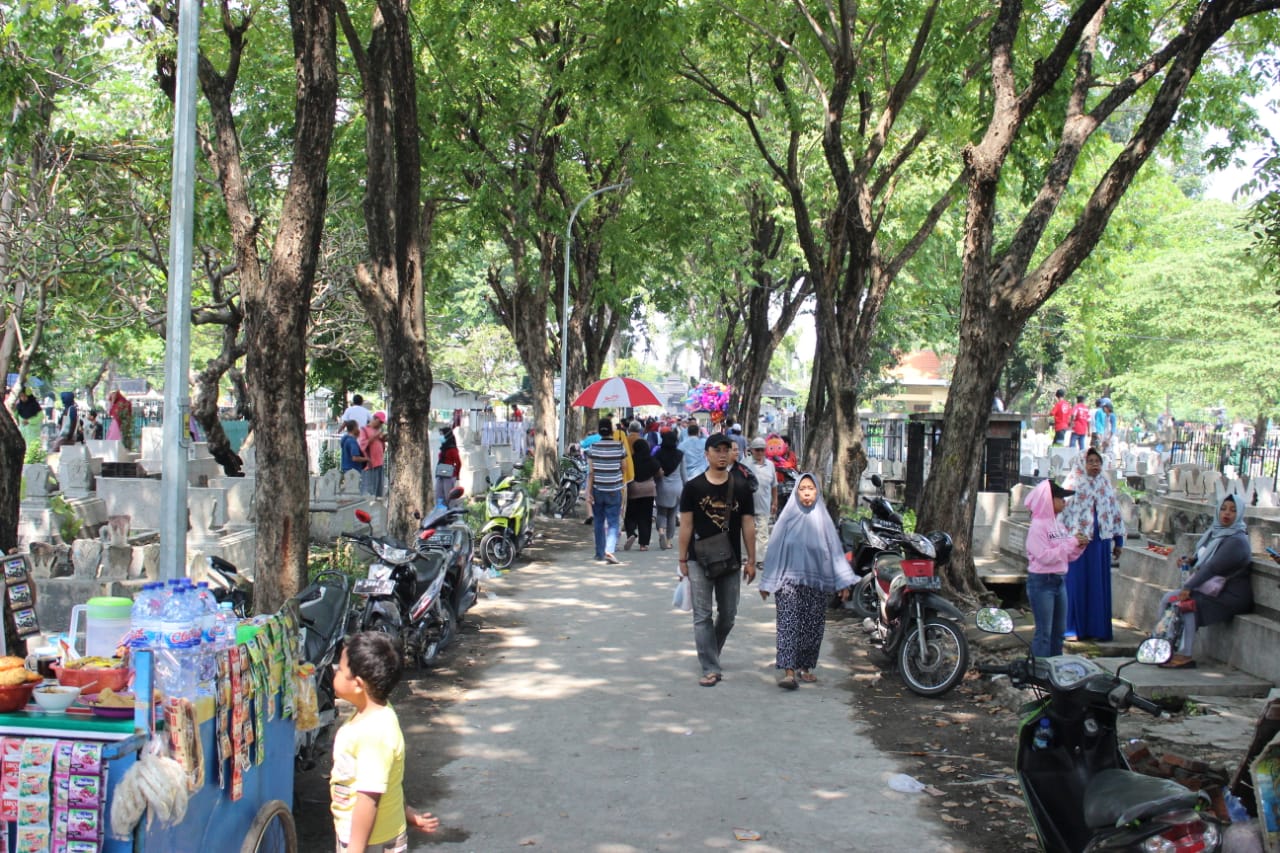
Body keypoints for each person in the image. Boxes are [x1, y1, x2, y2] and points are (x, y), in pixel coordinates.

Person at [330, 632, 440, 852]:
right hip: (365, 835)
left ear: (358, 684)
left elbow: (368, 798)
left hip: (371, 842)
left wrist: (355, 848)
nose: (335, 672)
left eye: (341, 670)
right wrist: (408, 813)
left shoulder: (373, 733)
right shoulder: (374, 715)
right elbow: (389, 781)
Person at [758, 473, 855, 689]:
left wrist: (843, 583)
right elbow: (773, 551)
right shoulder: (787, 519)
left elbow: (835, 552)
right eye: (802, 488)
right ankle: (789, 672)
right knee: (788, 625)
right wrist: (767, 583)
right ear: (796, 492)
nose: (807, 492)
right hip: (788, 582)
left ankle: (805, 667)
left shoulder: (823, 520)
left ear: (817, 491)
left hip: (816, 583)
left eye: (811, 488)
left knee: (812, 628)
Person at [678, 432, 757, 687]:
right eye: (717, 449)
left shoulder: (742, 486)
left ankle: (712, 649)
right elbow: (686, 525)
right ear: (707, 454)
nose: (722, 454)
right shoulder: (693, 487)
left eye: (726, 449)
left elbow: (748, 524)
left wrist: (752, 559)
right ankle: (710, 666)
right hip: (698, 559)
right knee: (702, 615)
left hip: (730, 560)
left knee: (728, 615)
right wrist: (682, 560)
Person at [1158, 493, 1254, 669]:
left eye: (1233, 510)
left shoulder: (1237, 540)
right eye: (1223, 509)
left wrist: (1188, 587)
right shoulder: (1215, 533)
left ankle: (1185, 654)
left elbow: (1214, 567)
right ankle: (1163, 645)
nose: (1227, 513)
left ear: (1239, 514)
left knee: (1186, 605)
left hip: (1231, 596)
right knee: (1168, 599)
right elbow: (1204, 558)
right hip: (1212, 590)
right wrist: (1190, 561)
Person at [1061, 448, 1125, 642]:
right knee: (1076, 584)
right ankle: (1072, 629)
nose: (1095, 464)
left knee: (1097, 586)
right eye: (1090, 460)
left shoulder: (1104, 484)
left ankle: (1097, 629)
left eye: (1097, 461)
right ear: (1082, 462)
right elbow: (1062, 513)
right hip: (1077, 543)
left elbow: (1114, 512)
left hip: (1099, 543)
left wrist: (1118, 541)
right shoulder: (1073, 483)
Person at [1024, 479, 1089, 658]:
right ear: (1048, 500)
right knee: (1044, 632)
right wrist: (1072, 543)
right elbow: (1045, 556)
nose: (1064, 502)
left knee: (1059, 632)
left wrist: (1079, 546)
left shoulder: (1058, 526)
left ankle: (1055, 669)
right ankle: (1040, 671)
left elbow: (1066, 555)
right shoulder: (1037, 526)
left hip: (1059, 581)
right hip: (1042, 582)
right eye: (1060, 498)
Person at [585, 418, 627, 564]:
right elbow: (624, 467)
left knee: (598, 521)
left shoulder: (593, 447)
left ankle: (599, 553)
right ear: (611, 430)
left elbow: (591, 472)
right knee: (613, 522)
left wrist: (588, 492)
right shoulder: (619, 446)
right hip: (614, 489)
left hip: (598, 489)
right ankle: (609, 549)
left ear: (599, 430)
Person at [744, 436, 778, 570]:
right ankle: (749, 556)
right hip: (747, 505)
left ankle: (760, 559)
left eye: (762, 450)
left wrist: (775, 501)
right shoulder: (745, 463)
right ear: (752, 450)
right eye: (757, 450)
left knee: (763, 534)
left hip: (764, 504)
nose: (759, 453)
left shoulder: (770, 465)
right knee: (749, 532)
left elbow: (774, 485)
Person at [624, 436, 659, 551]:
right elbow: (659, 472)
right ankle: (643, 544)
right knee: (645, 517)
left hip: (634, 489)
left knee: (630, 515)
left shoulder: (632, 460)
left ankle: (631, 533)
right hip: (649, 490)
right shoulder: (652, 460)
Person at [653, 430, 685, 550]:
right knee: (672, 515)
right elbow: (684, 474)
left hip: (661, 487)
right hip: (677, 488)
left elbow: (654, 470)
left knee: (661, 512)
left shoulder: (658, 454)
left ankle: (661, 531)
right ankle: (668, 541)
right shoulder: (680, 455)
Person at [359, 413, 387, 497]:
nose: (380, 425)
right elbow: (363, 445)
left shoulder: (378, 431)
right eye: (380, 422)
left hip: (379, 463)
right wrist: (375, 436)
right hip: (370, 465)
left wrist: (383, 438)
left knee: (378, 492)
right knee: (369, 493)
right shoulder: (364, 430)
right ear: (374, 419)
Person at [434, 427, 461, 505]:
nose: (440, 437)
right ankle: (440, 512)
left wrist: (456, 475)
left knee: (449, 496)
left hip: (449, 474)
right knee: (439, 495)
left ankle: (452, 514)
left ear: (447, 435)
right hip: (440, 473)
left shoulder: (452, 449)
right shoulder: (443, 449)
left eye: (442, 434)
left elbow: (458, 463)